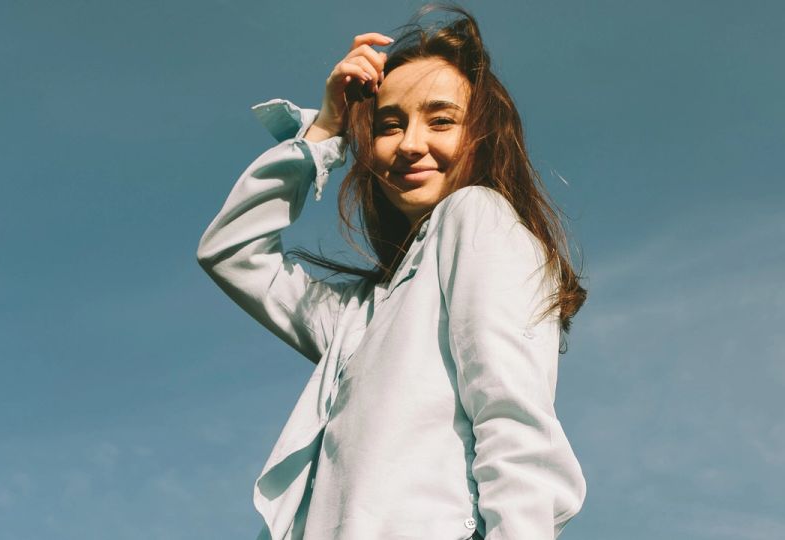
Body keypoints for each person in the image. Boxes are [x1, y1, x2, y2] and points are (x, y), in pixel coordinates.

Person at [197, 5, 587, 539]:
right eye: (389, 125)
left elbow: (514, 424)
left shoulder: (477, 215)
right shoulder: (359, 314)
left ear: (484, 136)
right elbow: (231, 251)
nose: (409, 144)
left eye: (441, 120)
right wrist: (326, 128)